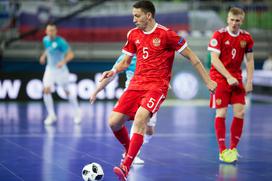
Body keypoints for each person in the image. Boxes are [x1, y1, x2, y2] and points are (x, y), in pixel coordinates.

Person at [100, 1, 217, 180]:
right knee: (114, 122)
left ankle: (126, 166)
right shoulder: (133, 34)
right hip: (136, 84)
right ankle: (130, 149)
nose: (134, 19)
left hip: (157, 86)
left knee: (140, 119)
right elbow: (125, 61)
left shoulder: (166, 34)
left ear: (148, 15)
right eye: (133, 15)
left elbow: (193, 57)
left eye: (137, 16)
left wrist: (208, 80)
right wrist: (114, 71)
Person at [90, 54, 157, 165]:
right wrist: (96, 91)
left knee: (149, 130)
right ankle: (132, 154)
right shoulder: (126, 57)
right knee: (136, 122)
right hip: (131, 94)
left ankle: (135, 146)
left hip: (150, 94)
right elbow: (111, 76)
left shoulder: (152, 54)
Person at [208, 7, 254, 163]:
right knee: (221, 113)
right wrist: (227, 77)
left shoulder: (246, 38)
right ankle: (222, 151)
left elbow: (250, 60)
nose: (234, 23)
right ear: (228, 19)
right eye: (232, 20)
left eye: (237, 20)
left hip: (237, 79)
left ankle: (233, 149)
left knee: (240, 113)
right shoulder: (219, 35)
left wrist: (249, 81)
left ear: (242, 21)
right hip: (220, 78)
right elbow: (214, 59)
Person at [39, 23, 82, 125]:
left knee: (67, 91)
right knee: (46, 90)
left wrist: (62, 62)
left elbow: (71, 54)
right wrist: (43, 56)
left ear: (56, 31)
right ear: (46, 31)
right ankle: (51, 115)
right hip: (49, 69)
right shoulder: (45, 40)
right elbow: (48, 49)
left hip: (61, 71)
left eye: (53, 30)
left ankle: (77, 113)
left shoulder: (61, 42)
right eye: (49, 30)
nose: (51, 32)